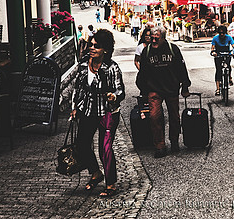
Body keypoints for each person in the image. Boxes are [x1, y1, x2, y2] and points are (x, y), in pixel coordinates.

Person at [70, 29, 125, 198]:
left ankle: (111, 184)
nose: (92, 48)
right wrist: (75, 107)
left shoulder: (112, 68)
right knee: (82, 144)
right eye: (91, 45)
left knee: (105, 148)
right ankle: (95, 173)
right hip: (87, 110)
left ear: (106, 50)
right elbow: (78, 88)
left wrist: (113, 96)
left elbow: (120, 90)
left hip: (107, 113)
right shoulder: (83, 65)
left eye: (96, 46)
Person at [136, 26, 191, 158]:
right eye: (152, 38)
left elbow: (181, 68)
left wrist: (185, 86)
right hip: (154, 89)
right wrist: (143, 90)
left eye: (157, 38)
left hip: (171, 87)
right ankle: (160, 146)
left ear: (163, 38)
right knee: (154, 117)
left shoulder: (173, 49)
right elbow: (143, 72)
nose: (153, 41)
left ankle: (174, 141)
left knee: (174, 117)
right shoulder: (147, 51)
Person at [210, 25, 234, 96]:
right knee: (218, 70)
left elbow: (233, 45)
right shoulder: (215, 38)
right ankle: (217, 89)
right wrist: (213, 52)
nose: (221, 35)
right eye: (220, 33)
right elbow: (212, 47)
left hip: (227, 54)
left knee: (228, 67)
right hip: (218, 55)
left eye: (223, 33)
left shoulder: (229, 37)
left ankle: (230, 77)